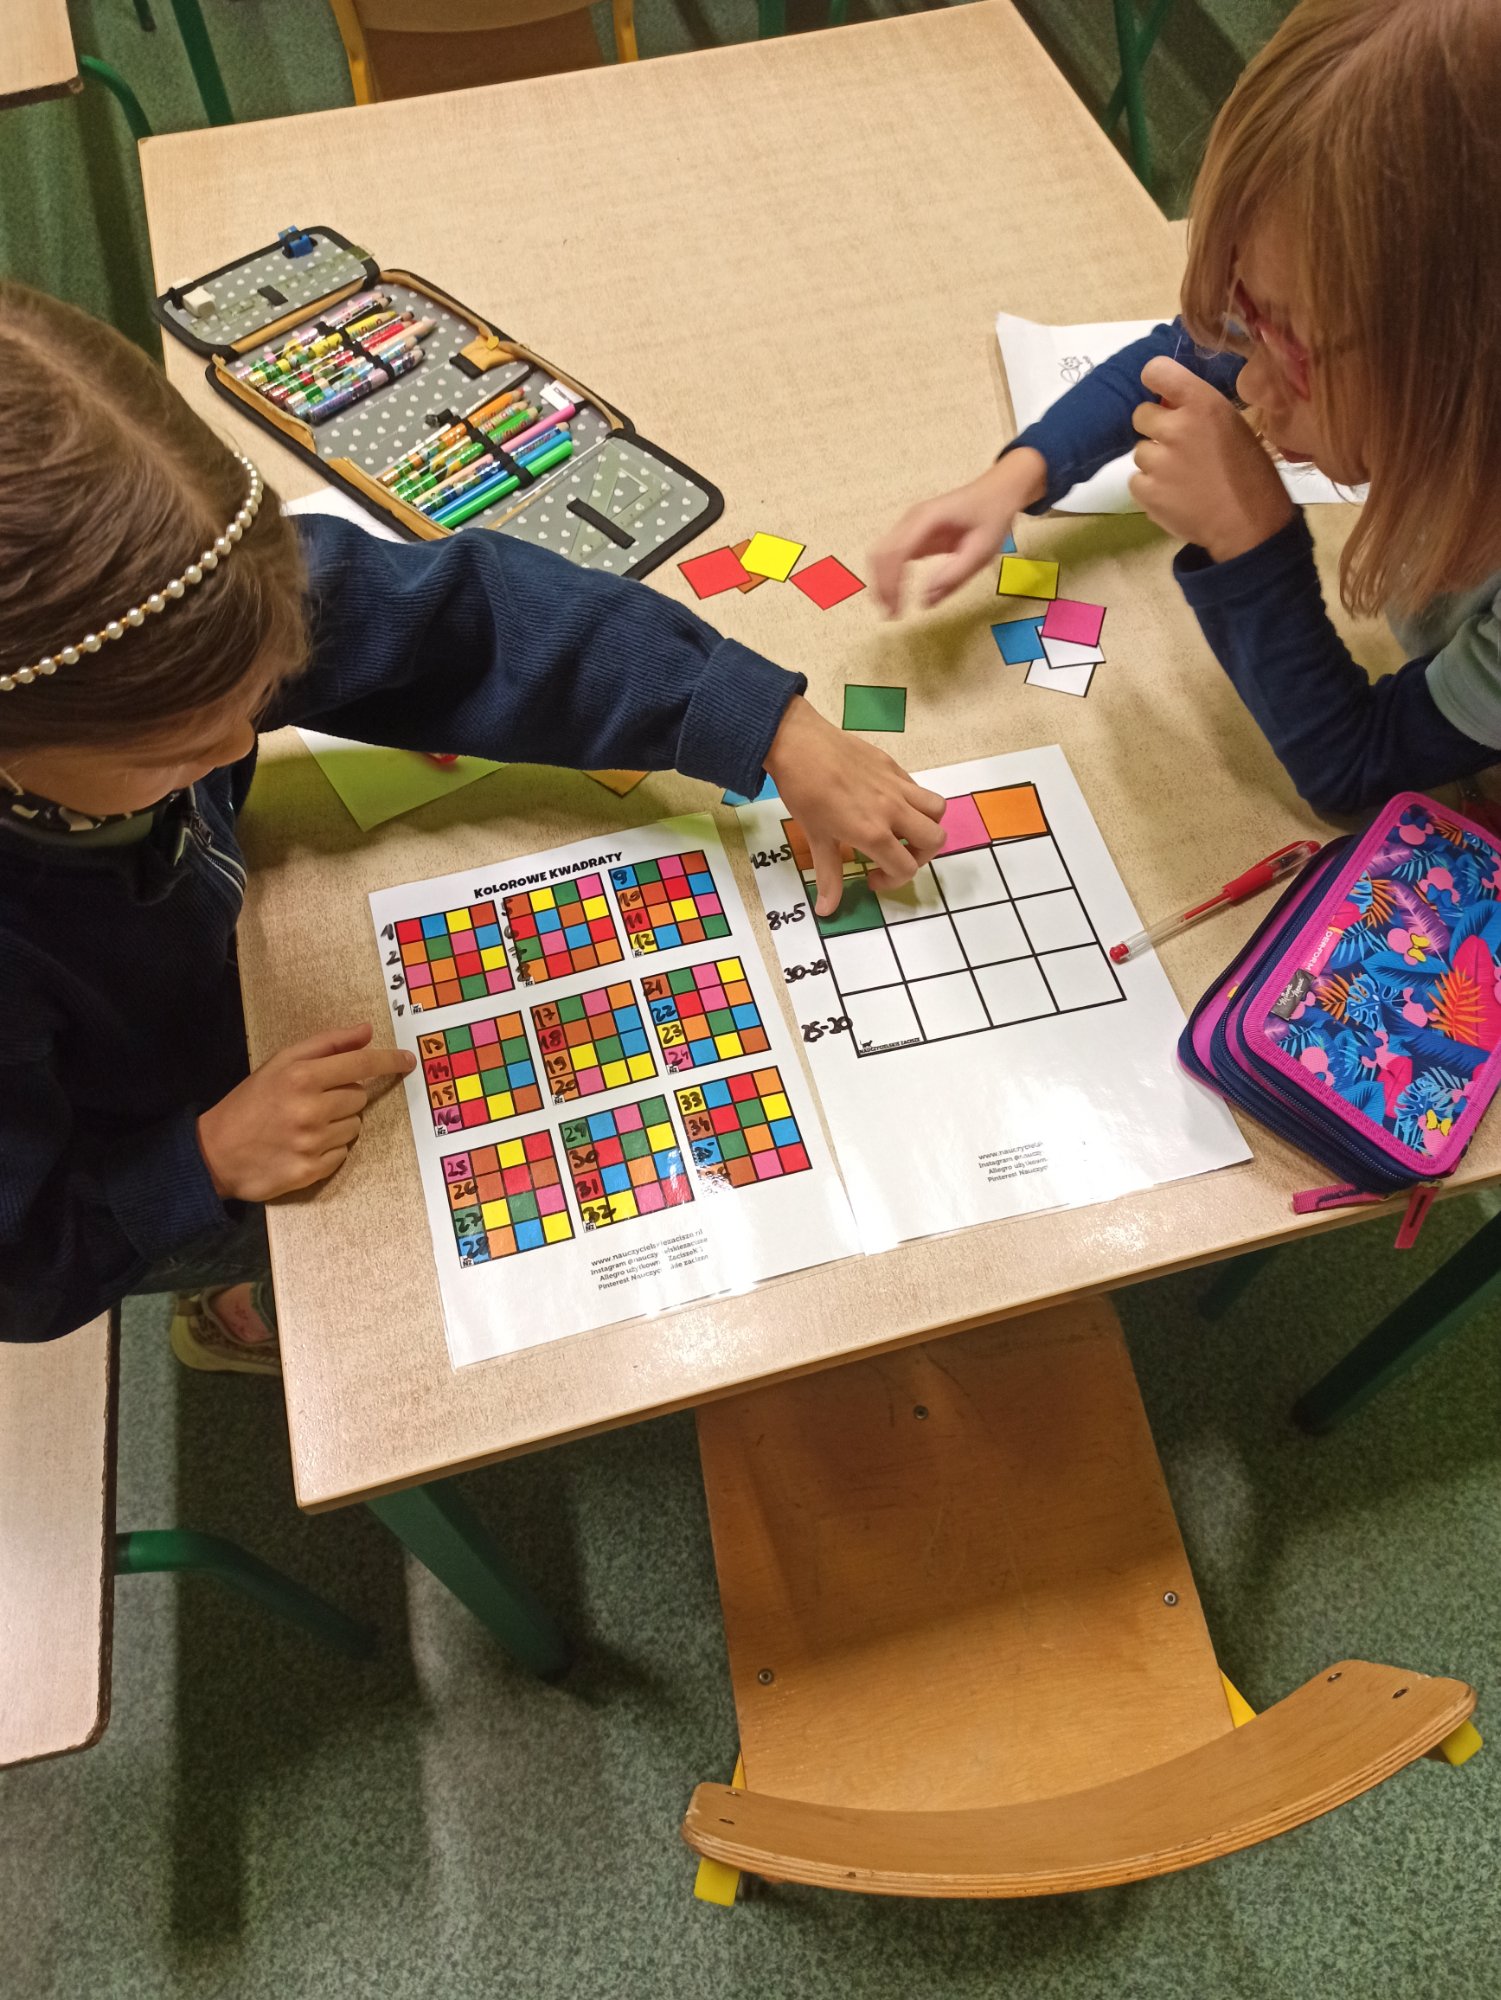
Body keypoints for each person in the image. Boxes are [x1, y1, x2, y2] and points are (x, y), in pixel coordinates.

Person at [0, 282, 945, 1362]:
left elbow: (470, 616)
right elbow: (18, 1267)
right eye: (171, 750)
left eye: (254, 697)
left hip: (217, 970)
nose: (232, 745)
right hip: (125, 1134)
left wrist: (763, 721)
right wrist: (200, 1163)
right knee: (331, 1243)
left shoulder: (190, 602)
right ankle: (238, 1305)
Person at [871, 0, 1501, 821]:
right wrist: (1014, 478)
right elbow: (1184, 353)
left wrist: (1250, 537)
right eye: (1252, 318)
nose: (1249, 383)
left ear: (1459, 358)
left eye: (1288, 348)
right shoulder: (1398, 325)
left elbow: (1355, 766)